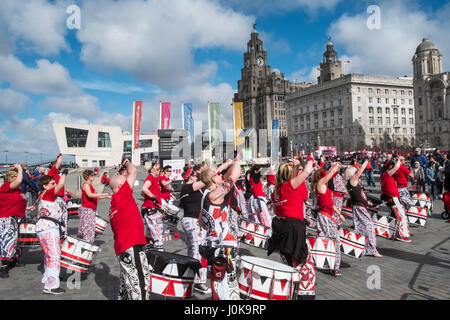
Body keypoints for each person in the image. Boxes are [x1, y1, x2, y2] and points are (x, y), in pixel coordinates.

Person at [199, 160, 241, 300]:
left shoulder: (205, 195)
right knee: (226, 286)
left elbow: (201, 222)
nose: (221, 176)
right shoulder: (214, 195)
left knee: (217, 284)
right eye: (218, 174)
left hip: (213, 244)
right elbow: (234, 175)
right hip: (222, 246)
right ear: (213, 178)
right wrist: (237, 162)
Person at [109, 159, 150, 300]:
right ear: (122, 185)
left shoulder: (114, 203)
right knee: (140, 282)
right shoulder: (121, 196)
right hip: (132, 245)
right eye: (126, 181)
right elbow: (133, 171)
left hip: (124, 247)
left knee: (128, 282)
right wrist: (126, 162)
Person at [36, 170, 68, 295]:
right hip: (49, 228)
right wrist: (64, 174)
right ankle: (51, 286)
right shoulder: (48, 194)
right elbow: (60, 186)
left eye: (54, 183)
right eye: (52, 183)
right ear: (45, 186)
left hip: (44, 228)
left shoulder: (43, 196)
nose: (54, 185)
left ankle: (47, 278)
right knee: (54, 256)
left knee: (49, 256)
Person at [179, 166, 210, 294]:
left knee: (193, 251)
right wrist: (214, 171)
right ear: (190, 176)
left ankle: (191, 278)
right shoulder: (187, 187)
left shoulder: (196, 189)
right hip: (192, 220)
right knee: (198, 251)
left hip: (194, 221)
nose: (197, 175)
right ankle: (198, 281)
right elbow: (207, 181)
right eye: (195, 174)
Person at [311, 163, 346, 276]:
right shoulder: (320, 184)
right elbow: (330, 174)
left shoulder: (325, 187)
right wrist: (334, 168)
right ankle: (331, 265)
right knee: (332, 240)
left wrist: (339, 214)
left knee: (331, 240)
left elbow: (331, 204)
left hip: (328, 215)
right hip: (324, 216)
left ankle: (330, 264)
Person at [345, 161, 382, 258]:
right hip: (359, 208)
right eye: (355, 172)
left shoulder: (352, 183)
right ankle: (371, 249)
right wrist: (366, 161)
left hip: (360, 207)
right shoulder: (352, 181)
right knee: (368, 227)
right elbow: (360, 171)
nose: (357, 173)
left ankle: (365, 248)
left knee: (363, 228)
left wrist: (369, 204)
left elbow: (360, 197)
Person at [0, 165, 30, 278]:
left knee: (16, 241)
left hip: (17, 218)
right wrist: (20, 169)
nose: (18, 178)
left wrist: (28, 207)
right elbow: (19, 181)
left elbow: (15, 203)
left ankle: (13, 260)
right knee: (7, 242)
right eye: (16, 177)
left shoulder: (17, 190)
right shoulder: (6, 186)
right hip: (7, 218)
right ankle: (4, 266)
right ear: (11, 178)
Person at [380, 156, 411, 242]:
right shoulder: (387, 175)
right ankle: (402, 235)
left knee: (395, 216)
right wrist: (399, 160)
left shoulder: (385, 176)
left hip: (391, 197)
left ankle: (395, 232)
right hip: (392, 198)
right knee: (402, 216)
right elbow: (397, 167)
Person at [78, 170, 110, 244]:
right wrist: (100, 194)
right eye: (92, 175)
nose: (93, 177)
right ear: (88, 177)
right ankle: (87, 243)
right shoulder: (86, 185)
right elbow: (89, 195)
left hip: (91, 209)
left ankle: (89, 242)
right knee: (88, 228)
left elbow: (94, 196)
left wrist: (105, 196)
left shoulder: (90, 185)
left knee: (91, 227)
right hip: (87, 209)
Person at [141, 162, 164, 251]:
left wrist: (149, 196)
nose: (159, 171)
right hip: (152, 209)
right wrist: (153, 197)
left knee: (150, 232)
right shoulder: (150, 177)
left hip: (150, 208)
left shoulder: (152, 178)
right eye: (157, 169)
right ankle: (159, 250)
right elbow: (144, 189)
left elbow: (142, 193)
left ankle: (150, 250)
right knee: (157, 231)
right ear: (152, 170)